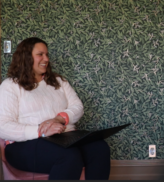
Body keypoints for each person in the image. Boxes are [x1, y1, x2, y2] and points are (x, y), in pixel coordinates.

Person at [0, 37, 110, 180]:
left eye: (47, 54)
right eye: (40, 54)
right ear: (25, 57)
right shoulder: (10, 86)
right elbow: (3, 126)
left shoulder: (59, 81)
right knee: (69, 156)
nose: (46, 59)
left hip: (64, 138)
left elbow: (78, 107)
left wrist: (59, 119)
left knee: (99, 148)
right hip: (24, 145)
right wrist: (42, 130)